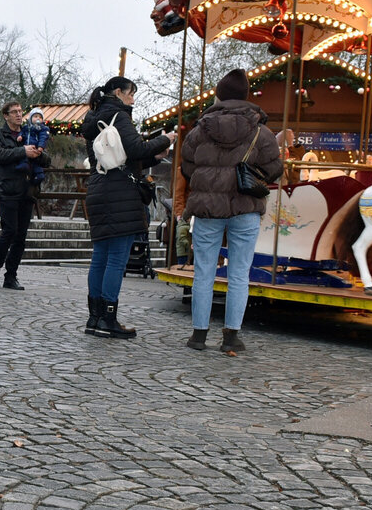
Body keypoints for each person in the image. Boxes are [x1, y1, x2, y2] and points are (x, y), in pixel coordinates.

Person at [180, 69, 283, 353]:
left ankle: (199, 335)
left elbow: (187, 166)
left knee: (203, 272)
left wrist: (207, 181)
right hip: (245, 206)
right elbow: (275, 168)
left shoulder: (201, 129)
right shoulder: (261, 131)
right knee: (239, 273)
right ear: (246, 96)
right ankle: (231, 337)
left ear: (219, 95)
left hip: (207, 208)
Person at [81, 77, 175, 338]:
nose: (133, 99)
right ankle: (109, 319)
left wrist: (149, 155)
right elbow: (134, 148)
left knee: (100, 256)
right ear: (119, 92)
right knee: (117, 258)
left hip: (98, 189)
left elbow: (121, 156)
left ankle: (95, 318)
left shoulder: (93, 118)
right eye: (131, 93)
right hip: (120, 194)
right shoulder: (119, 116)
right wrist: (165, 140)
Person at [0, 101, 50, 290]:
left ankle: (11, 276)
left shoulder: (32, 131)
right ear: (5, 115)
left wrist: (38, 153)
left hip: (27, 190)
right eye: (14, 112)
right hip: (8, 189)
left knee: (21, 236)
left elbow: (47, 160)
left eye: (20, 111)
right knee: (9, 231)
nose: (18, 115)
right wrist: (22, 151)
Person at [16, 108, 51, 185]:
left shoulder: (43, 129)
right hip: (25, 150)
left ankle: (33, 183)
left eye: (40, 117)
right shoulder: (26, 127)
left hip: (35, 151)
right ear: (31, 118)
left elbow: (43, 138)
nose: (38, 118)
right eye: (35, 116)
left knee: (39, 173)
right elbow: (22, 132)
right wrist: (20, 136)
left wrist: (40, 147)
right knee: (24, 165)